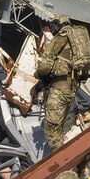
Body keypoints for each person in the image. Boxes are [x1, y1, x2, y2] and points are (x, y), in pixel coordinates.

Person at [34, 15, 77, 151]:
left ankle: (62, 161)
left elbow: (45, 66)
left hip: (59, 88)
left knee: (51, 129)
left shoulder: (61, 38)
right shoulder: (77, 39)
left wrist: (37, 74)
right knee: (60, 127)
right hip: (72, 88)